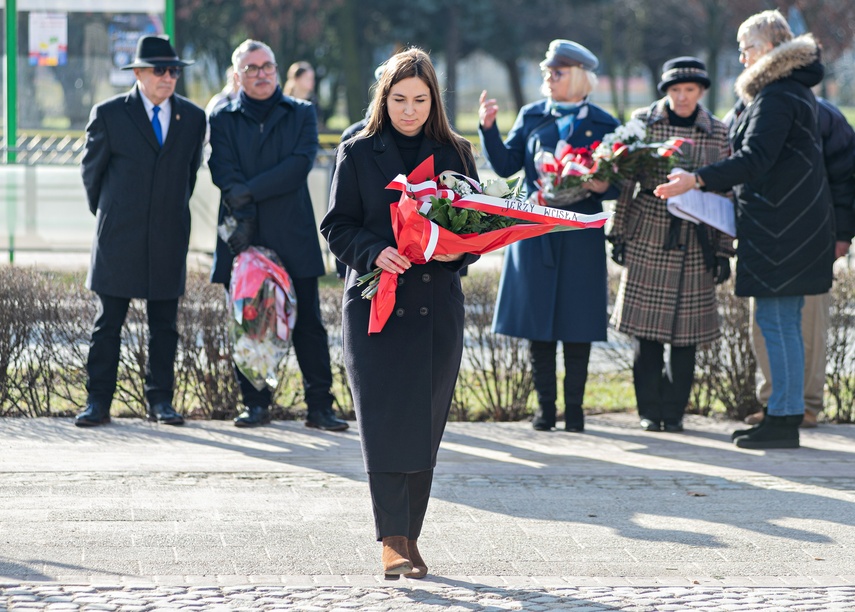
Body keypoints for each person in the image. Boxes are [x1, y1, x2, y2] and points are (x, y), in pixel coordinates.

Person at [320, 47, 478, 579]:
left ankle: (411, 535)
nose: (408, 109)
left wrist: (461, 250)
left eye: (419, 99)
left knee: (425, 426)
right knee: (385, 424)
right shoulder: (359, 150)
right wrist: (373, 251)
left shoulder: (455, 152)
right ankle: (390, 538)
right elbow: (336, 225)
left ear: (434, 101)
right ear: (382, 98)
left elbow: (476, 227)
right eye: (397, 99)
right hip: (376, 307)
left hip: (438, 310)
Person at [654, 10, 835, 449]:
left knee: (777, 324)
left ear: (770, 48)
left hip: (781, 233)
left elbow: (755, 160)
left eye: (747, 47)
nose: (741, 56)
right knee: (784, 324)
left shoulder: (777, 97)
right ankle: (783, 414)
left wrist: (695, 180)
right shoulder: (791, 93)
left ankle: (784, 420)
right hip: (791, 229)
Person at [478, 39, 619, 433]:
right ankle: (545, 410)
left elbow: (619, 184)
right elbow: (507, 164)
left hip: (580, 231)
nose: (548, 79)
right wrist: (488, 128)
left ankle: (574, 411)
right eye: (546, 72)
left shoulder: (607, 124)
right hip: (535, 229)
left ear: (577, 76)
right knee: (538, 320)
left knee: (578, 321)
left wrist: (601, 186)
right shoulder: (532, 114)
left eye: (556, 73)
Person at [208, 39, 347, 432]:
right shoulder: (222, 118)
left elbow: (298, 165)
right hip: (242, 234)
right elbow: (223, 170)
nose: (261, 73)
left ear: (276, 68)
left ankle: (320, 406)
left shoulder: (301, 113)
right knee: (249, 322)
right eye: (251, 68)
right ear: (238, 76)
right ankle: (255, 405)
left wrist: (247, 192)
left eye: (266, 65)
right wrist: (245, 204)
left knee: (309, 324)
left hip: (293, 231)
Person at [76, 35, 206, 428]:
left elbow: (190, 173)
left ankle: (160, 401)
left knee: (164, 324)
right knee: (108, 324)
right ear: (138, 73)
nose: (168, 78)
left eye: (174, 71)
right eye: (160, 70)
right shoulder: (110, 113)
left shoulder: (192, 118)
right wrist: (112, 214)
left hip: (168, 235)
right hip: (118, 235)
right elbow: (91, 174)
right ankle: (98, 402)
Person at [609, 57, 733, 433]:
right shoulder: (645, 124)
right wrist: (618, 233)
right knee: (646, 333)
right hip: (650, 230)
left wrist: (725, 250)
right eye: (676, 90)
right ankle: (649, 409)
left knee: (687, 337)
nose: (682, 97)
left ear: (702, 92)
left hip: (698, 236)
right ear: (665, 92)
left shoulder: (717, 131)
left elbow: (725, 190)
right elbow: (627, 182)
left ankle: (675, 412)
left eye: (690, 90)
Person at [744, 98, 855, 429]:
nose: (744, 59)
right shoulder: (746, 109)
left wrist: (843, 234)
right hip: (764, 239)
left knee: (807, 326)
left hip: (813, 238)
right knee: (764, 327)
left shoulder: (826, 116)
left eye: (749, 48)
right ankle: (775, 403)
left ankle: (805, 405)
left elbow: (846, 179)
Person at [283, 61, 323, 129]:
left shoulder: (314, 103)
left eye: (313, 78)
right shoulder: (284, 103)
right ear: (297, 79)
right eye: (308, 79)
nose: (312, 82)